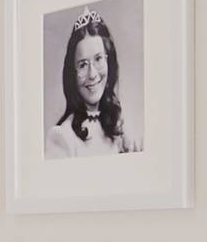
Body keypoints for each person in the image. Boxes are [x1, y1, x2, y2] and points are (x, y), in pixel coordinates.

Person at [47, 8, 141, 156]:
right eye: (83, 64)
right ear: (73, 73)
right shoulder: (62, 137)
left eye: (98, 59)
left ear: (109, 61)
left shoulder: (122, 127)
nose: (92, 74)